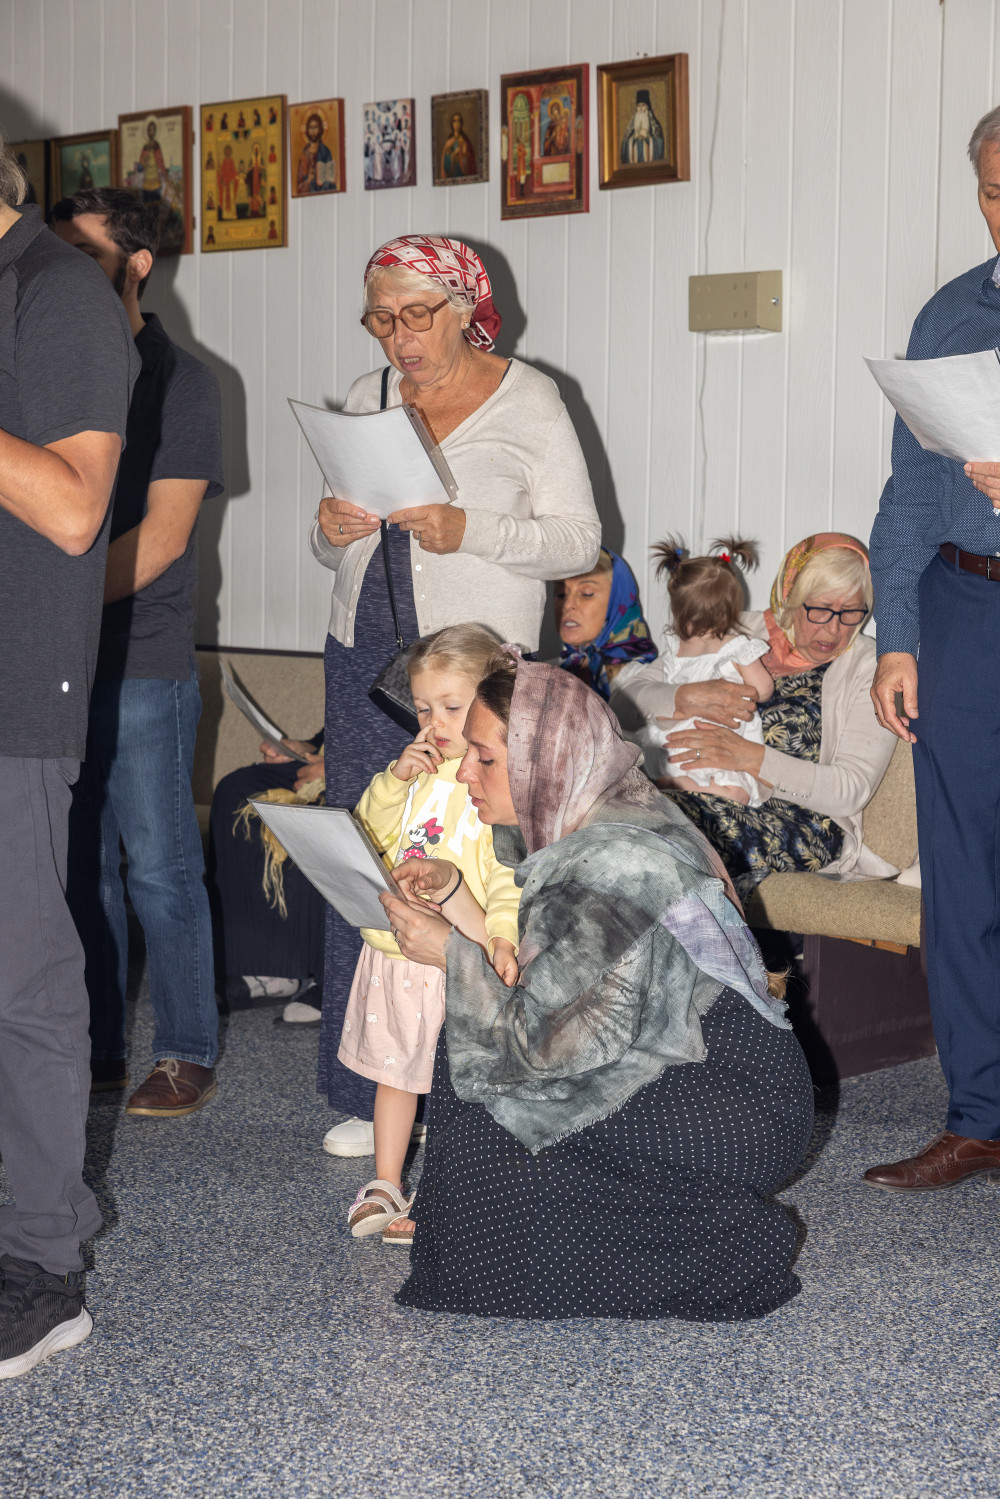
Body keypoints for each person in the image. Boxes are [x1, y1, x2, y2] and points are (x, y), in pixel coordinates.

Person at [381, 654, 813, 1320]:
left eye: (484, 758)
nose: (464, 771)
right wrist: (455, 898)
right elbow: (546, 986)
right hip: (690, 1068)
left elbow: (553, 1046)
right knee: (479, 1099)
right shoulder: (602, 815)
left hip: (732, 1102)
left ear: (546, 761)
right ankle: (683, 1228)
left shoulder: (616, 862)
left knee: (491, 1122)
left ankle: (729, 1247)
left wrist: (448, 953)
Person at [308, 233, 601, 1157]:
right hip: (362, 651)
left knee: (474, 861)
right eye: (380, 319)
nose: (399, 338)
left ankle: (475, 1086)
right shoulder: (367, 396)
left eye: (417, 315)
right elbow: (327, 546)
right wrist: (328, 527)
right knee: (369, 856)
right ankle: (370, 1089)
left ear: (465, 307)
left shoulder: (531, 398)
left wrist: (467, 528)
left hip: (471, 670)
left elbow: (577, 540)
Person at [0, 139, 138, 1378]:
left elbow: (72, 505)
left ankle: (41, 1268)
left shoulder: (59, 294)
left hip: (12, 691)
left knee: (20, 978)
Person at [53, 189, 224, 1119]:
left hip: (142, 657)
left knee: (158, 865)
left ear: (139, 263)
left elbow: (162, 538)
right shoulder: (50, 361)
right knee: (78, 865)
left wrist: (56, 602)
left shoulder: (181, 380)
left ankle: (187, 1047)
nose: (62, 269)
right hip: (55, 658)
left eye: (84, 252)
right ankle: (100, 1048)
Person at [865, 104, 1000, 1192]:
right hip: (964, 609)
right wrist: (896, 637)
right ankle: (980, 1116)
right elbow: (910, 492)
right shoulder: (950, 314)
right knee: (962, 877)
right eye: (995, 194)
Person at [343, 625, 520, 1247]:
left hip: (453, 960)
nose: (435, 723)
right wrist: (394, 781)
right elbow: (367, 836)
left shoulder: (491, 780)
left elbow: (508, 874)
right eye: (423, 708)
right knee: (395, 1075)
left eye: (451, 707)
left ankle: (445, 1189)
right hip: (395, 954)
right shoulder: (412, 773)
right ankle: (386, 1180)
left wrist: (502, 936)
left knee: (457, 1081)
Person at [612, 534, 897, 898]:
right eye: (820, 609)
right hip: (696, 788)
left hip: (798, 823)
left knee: (665, 821)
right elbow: (621, 702)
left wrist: (749, 757)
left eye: (851, 612)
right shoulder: (735, 629)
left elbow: (851, 790)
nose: (833, 628)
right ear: (790, 595)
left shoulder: (868, 665)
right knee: (618, 811)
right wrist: (683, 697)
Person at [636, 539, 774, 807]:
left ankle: (675, 784)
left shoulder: (676, 648)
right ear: (731, 609)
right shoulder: (736, 647)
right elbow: (763, 690)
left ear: (678, 610)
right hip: (717, 739)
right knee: (739, 793)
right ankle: (704, 789)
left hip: (673, 740)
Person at [207, 730, 327, 1022]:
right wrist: (306, 748)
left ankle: (335, 977)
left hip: (388, 760)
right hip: (338, 754)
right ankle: (269, 968)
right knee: (238, 788)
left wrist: (345, 765)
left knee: (339, 801)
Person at [555, 546, 656, 698]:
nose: (568, 605)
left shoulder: (643, 679)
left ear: (617, 601)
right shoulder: (539, 675)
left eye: (587, 594)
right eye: (561, 594)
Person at [620, 89, 666, 165]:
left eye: (643, 105)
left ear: (648, 107)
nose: (641, 108)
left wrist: (647, 138)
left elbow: (660, 144)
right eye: (639, 106)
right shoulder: (630, 127)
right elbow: (624, 149)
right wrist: (634, 138)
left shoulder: (655, 125)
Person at [297, 111, 335, 193]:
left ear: (320, 129)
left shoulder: (326, 152)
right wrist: (309, 180)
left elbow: (330, 180)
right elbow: (299, 187)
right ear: (307, 130)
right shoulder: (304, 155)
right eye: (311, 128)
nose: (313, 131)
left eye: (315, 127)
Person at [440, 112, 476, 179]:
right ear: (452, 124)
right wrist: (453, 154)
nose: (457, 123)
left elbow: (470, 158)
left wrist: (464, 153)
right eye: (454, 121)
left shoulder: (465, 139)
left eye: (459, 121)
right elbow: (445, 160)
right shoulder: (449, 141)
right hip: (451, 174)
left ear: (461, 123)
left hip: (462, 174)